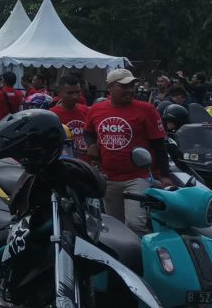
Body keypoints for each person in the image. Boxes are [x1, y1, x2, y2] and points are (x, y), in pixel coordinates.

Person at [84, 68, 175, 236]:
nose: (129, 90)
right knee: (115, 227)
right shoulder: (96, 109)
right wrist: (91, 144)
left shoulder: (146, 109)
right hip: (108, 177)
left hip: (137, 177)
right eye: (123, 86)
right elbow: (88, 132)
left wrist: (164, 175)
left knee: (135, 224)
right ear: (110, 87)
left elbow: (159, 145)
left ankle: (144, 252)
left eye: (131, 86)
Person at [50, 74, 89, 158]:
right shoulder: (52, 115)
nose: (75, 96)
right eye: (70, 93)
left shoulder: (87, 111)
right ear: (59, 92)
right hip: (65, 162)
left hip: (86, 162)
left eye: (78, 92)